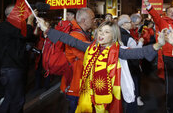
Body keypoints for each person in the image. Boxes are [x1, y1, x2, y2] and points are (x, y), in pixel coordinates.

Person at [37, 18, 166, 113]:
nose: (101, 34)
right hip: (91, 94)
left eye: (106, 32)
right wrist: (47, 30)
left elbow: (138, 53)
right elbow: (72, 40)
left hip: (111, 98)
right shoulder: (91, 47)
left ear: (113, 36)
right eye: (100, 31)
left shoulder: (118, 51)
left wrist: (158, 45)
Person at [0, 5, 36, 113]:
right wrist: (30, 20)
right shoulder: (6, 26)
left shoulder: (9, 27)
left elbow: (30, 37)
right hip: (12, 68)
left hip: (10, 68)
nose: (21, 15)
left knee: (9, 99)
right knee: (17, 101)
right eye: (19, 12)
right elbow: (26, 34)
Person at [61, 7, 95, 113]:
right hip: (76, 85)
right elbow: (88, 55)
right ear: (84, 21)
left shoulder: (82, 33)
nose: (94, 21)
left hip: (79, 83)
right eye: (93, 18)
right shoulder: (76, 35)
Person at [118, 14, 144, 111]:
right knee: (131, 90)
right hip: (129, 67)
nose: (132, 23)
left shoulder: (117, 33)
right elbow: (136, 53)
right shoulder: (127, 37)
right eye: (129, 22)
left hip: (120, 67)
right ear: (124, 24)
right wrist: (140, 42)